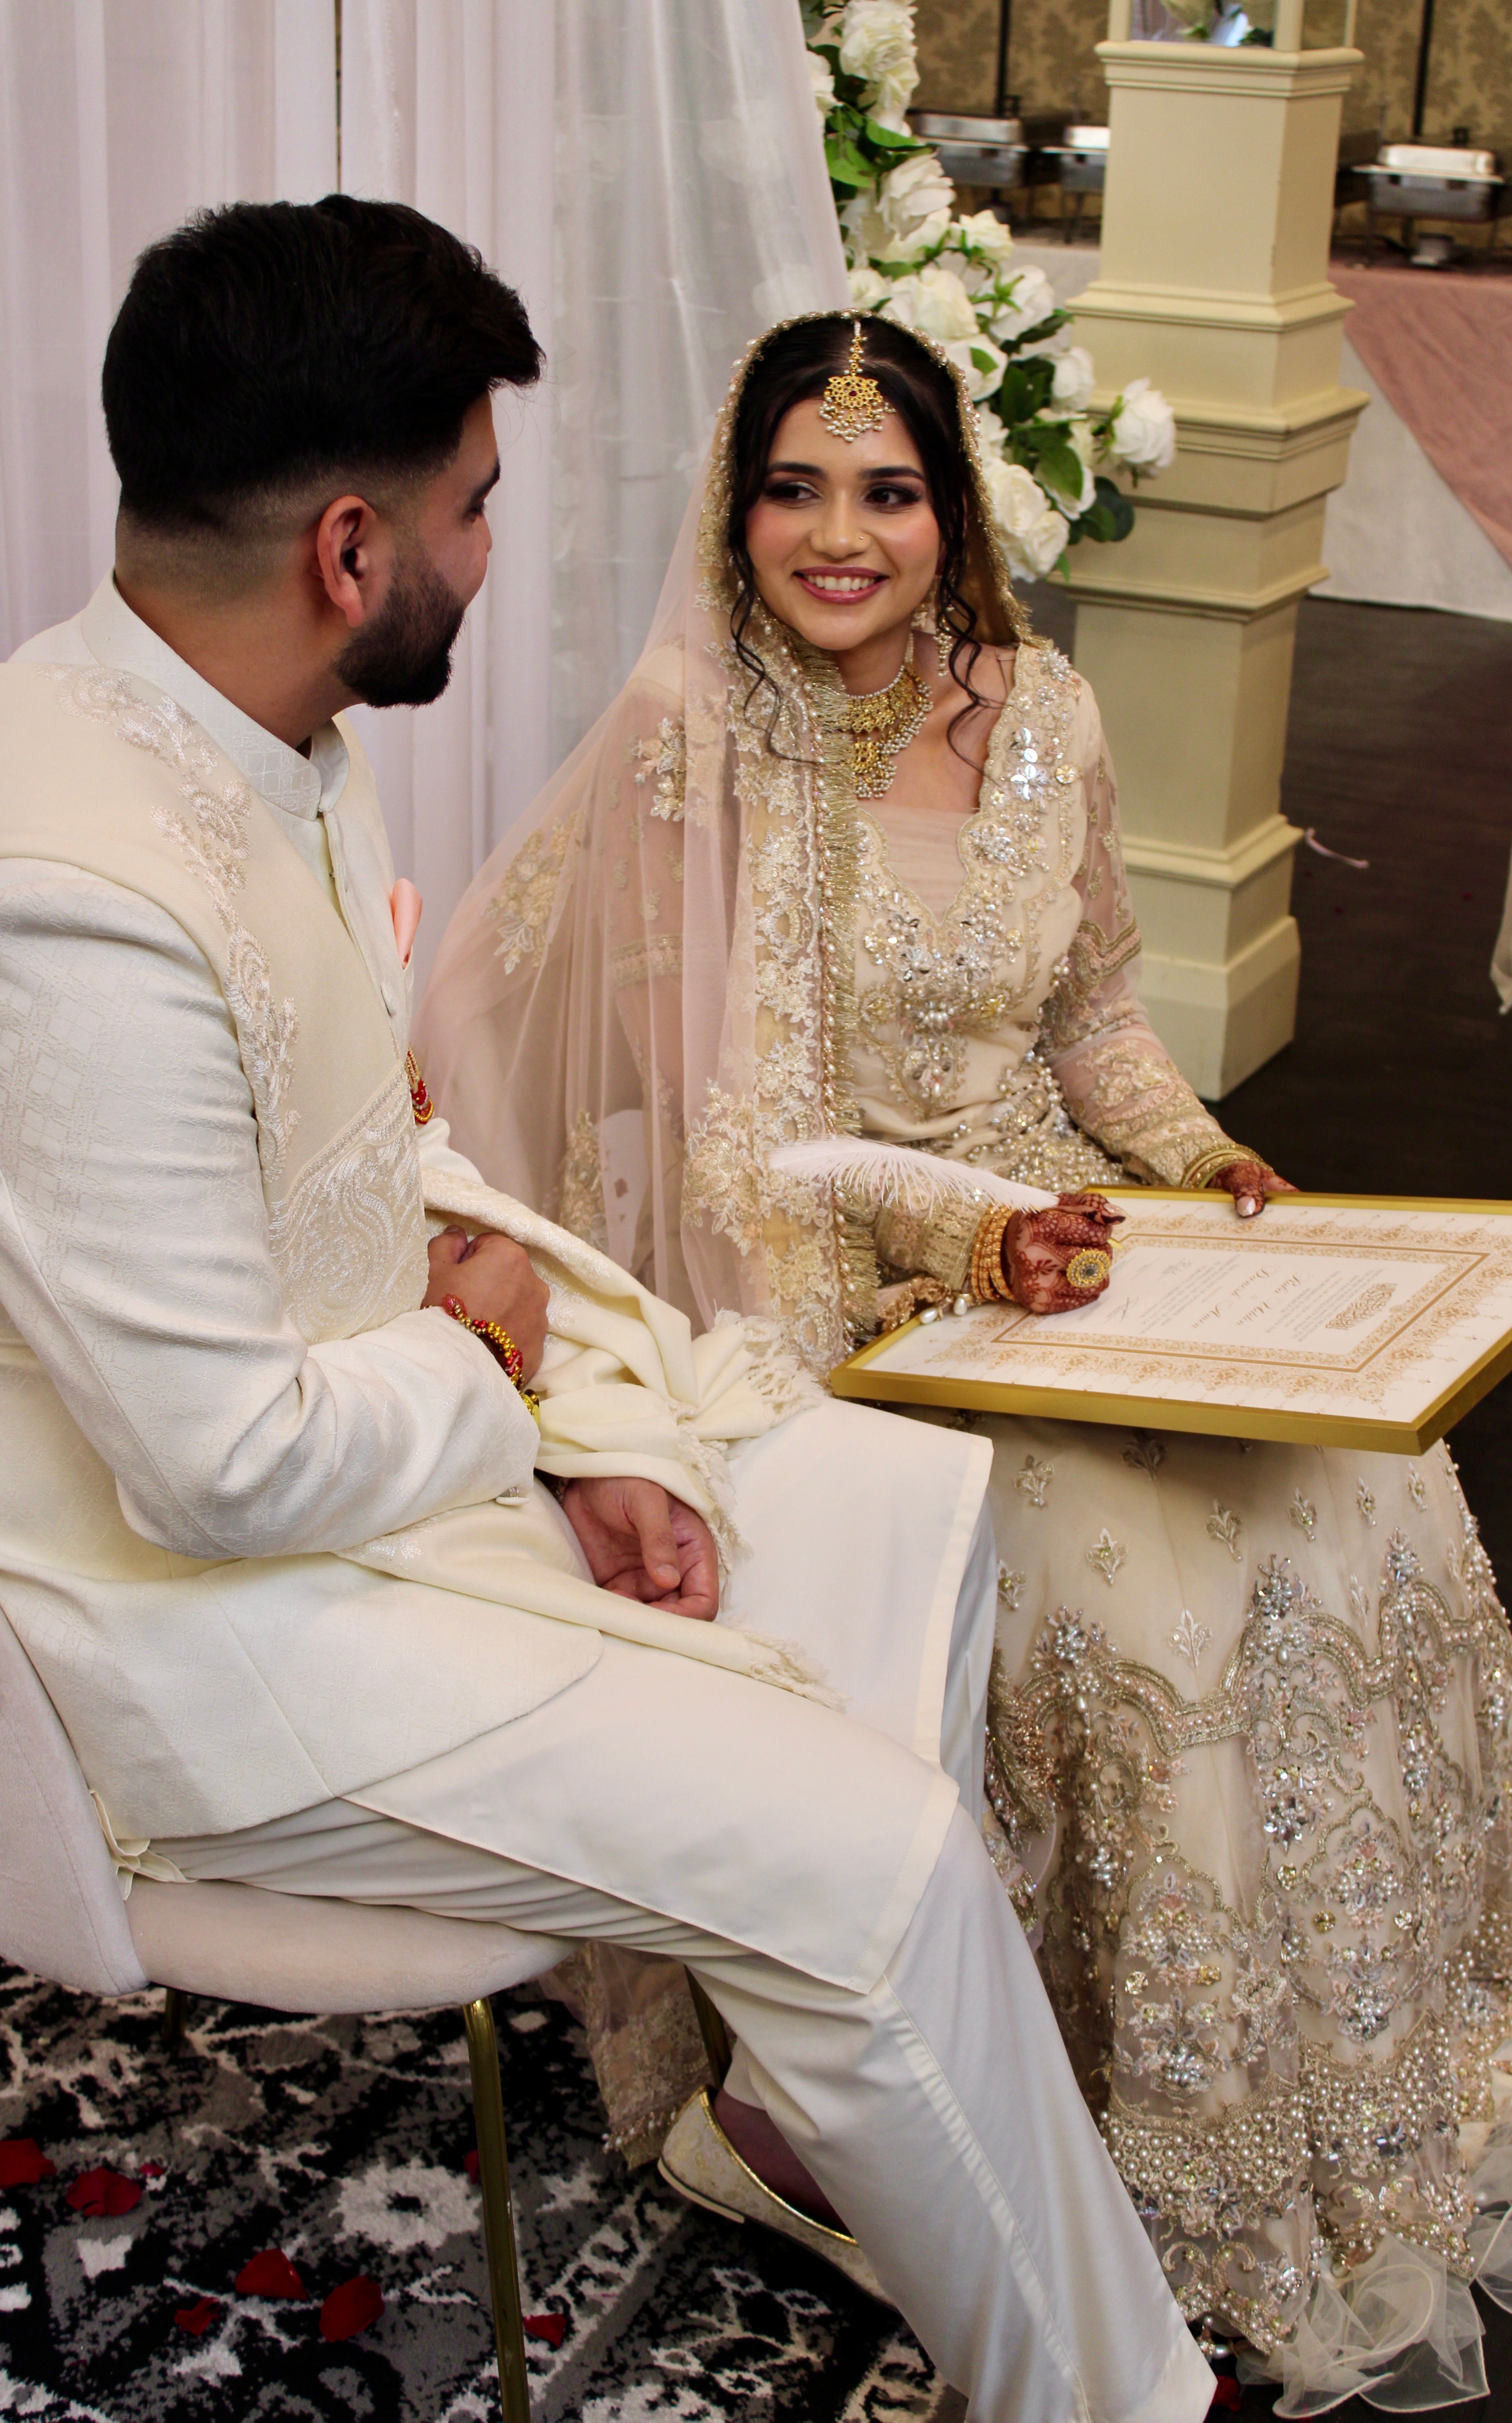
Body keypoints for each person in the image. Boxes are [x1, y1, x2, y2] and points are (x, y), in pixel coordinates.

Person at [0, 203, 1218, 2423]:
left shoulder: (256, 726)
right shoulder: (72, 892)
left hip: (385, 1483)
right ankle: (1117, 2394)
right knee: (880, 1856)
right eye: (477, 508)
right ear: (354, 551)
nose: (498, 551)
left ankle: (804, 2094)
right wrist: (504, 1383)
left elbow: (390, 1147)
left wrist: (584, 1421)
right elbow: (218, 1469)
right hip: (208, 1640)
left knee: (892, 1503)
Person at [416, 309, 1512, 2409]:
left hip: (1070, 1239)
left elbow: (1092, 1012)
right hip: (846, 1280)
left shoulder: (1048, 714)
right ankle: (1044, 2117)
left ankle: (1349, 2098)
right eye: (796, 489)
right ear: (736, 512)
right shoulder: (694, 737)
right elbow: (741, 1140)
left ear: (955, 510)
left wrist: (1205, 1166)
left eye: (890, 490)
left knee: (1366, 1481)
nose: (842, 537)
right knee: (1128, 1576)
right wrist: (968, 1232)